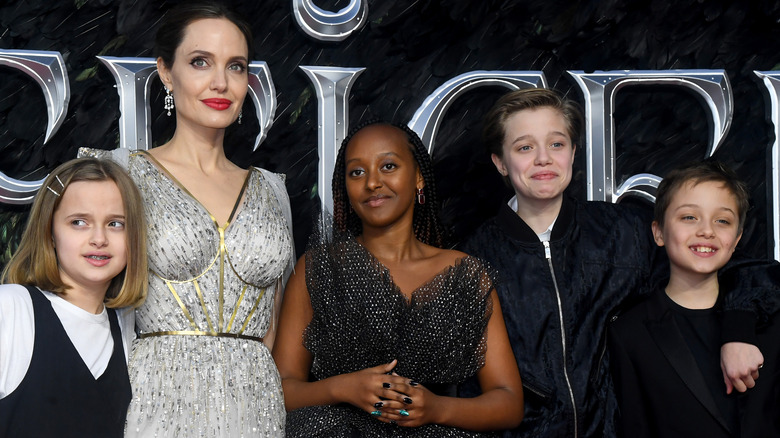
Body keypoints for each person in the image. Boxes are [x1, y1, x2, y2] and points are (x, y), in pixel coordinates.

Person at [460, 88, 767, 437]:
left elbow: (740, 267)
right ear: (500, 161)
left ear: (574, 152)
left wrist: (739, 331)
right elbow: (466, 385)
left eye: (557, 144)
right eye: (525, 147)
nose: (543, 158)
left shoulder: (625, 232)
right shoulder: (473, 260)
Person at [80, 2, 294, 436]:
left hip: (258, 407)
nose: (221, 82)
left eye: (236, 67)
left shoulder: (272, 189)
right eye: (200, 62)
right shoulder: (120, 173)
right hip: (155, 401)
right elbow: (78, 305)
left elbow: (274, 320)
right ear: (165, 71)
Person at [272, 121, 524, 437]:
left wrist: (436, 408)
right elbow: (279, 391)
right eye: (357, 172)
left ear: (418, 176)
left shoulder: (465, 275)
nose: (372, 182)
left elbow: (509, 404)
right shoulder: (319, 269)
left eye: (388, 166)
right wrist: (343, 388)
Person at [608, 160, 780, 437]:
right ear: (659, 232)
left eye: (722, 220)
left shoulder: (769, 316)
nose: (707, 230)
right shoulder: (630, 333)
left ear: (737, 240)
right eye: (689, 217)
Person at [0, 158, 147, 438]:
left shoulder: (125, 328)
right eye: (79, 222)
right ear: (50, 233)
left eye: (116, 224)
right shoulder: (11, 308)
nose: (99, 238)